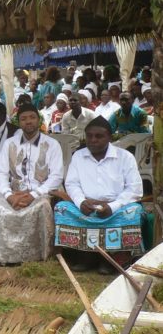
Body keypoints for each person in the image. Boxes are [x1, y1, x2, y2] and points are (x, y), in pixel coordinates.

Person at [54, 116, 144, 273]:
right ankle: (85, 255)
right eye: (89, 136)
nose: (93, 140)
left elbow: (134, 189)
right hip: (86, 208)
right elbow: (71, 184)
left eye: (99, 136)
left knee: (134, 211)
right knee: (62, 208)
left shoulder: (124, 157)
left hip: (115, 209)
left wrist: (112, 206)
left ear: (109, 137)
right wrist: (81, 202)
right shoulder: (78, 156)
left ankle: (113, 258)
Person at [0, 104, 63, 265]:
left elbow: (56, 176)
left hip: (43, 192)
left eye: (32, 117)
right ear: (18, 122)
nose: (28, 122)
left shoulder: (52, 144)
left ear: (38, 120)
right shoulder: (9, 143)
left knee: (42, 206)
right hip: (14, 192)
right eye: (23, 119)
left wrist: (33, 195)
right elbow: (1, 172)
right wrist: (8, 195)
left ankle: (37, 256)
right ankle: (1, 255)